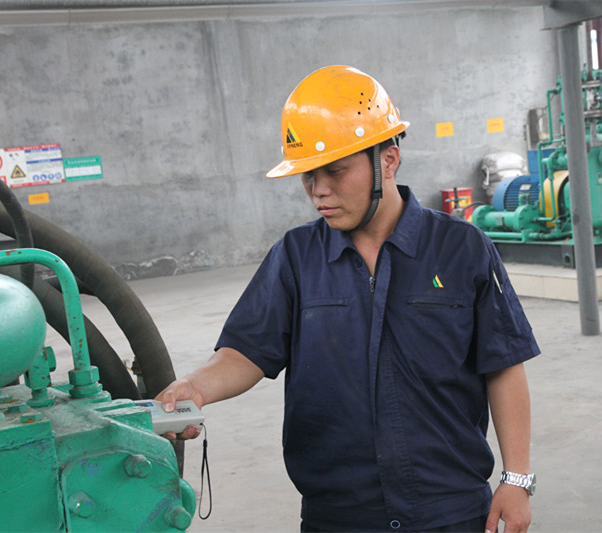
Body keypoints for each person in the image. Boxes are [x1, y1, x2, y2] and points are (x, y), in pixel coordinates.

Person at [156, 65, 540, 533]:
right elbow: (246, 351)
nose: (319, 190)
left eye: (336, 171)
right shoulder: (296, 256)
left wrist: (516, 479)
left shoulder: (462, 248)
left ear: (388, 161)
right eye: (308, 175)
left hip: (450, 509)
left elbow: (502, 364)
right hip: (338, 514)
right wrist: (197, 387)